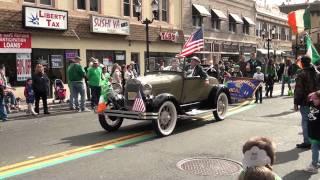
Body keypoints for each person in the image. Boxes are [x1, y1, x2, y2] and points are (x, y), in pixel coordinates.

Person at [294, 56, 320, 149]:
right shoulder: (317, 73)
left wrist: (296, 103)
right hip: (316, 101)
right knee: (315, 120)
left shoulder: (301, 73)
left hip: (306, 101)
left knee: (306, 121)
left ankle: (307, 142)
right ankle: (315, 141)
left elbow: (298, 90)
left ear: (302, 63)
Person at [304, 90, 320, 173]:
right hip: (312, 133)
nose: (314, 100)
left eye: (316, 99)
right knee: (316, 149)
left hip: (317, 134)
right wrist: (311, 95)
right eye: (313, 99)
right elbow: (307, 100)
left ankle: (314, 165)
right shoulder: (312, 105)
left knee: (315, 149)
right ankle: (317, 162)